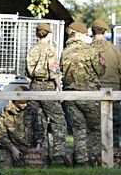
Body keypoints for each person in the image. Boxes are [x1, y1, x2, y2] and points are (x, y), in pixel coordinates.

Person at [60, 21, 105, 166]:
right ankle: (95, 159)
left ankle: (81, 161)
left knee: (79, 129)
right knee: (95, 128)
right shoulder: (90, 50)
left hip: (71, 94)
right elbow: (100, 71)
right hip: (90, 94)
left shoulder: (65, 52)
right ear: (79, 34)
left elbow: (61, 71)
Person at [25, 21, 69, 166]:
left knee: (40, 121)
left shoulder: (32, 50)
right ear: (49, 34)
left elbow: (27, 73)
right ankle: (58, 157)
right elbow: (55, 71)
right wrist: (60, 89)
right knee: (59, 121)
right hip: (47, 86)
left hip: (34, 86)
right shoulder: (50, 50)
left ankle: (40, 157)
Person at [90, 18, 121, 158]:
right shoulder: (115, 50)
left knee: (96, 126)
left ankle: (97, 156)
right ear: (106, 31)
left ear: (92, 32)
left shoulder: (88, 50)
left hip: (95, 92)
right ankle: (115, 155)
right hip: (114, 92)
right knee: (114, 126)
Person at [0, 88, 45, 167]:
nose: (25, 105)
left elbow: (39, 130)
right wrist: (12, 148)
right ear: (15, 101)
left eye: (26, 102)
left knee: (36, 167)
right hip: (13, 147)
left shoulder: (33, 111)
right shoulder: (6, 113)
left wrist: (38, 145)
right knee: (5, 165)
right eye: (22, 103)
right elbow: (1, 135)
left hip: (30, 147)